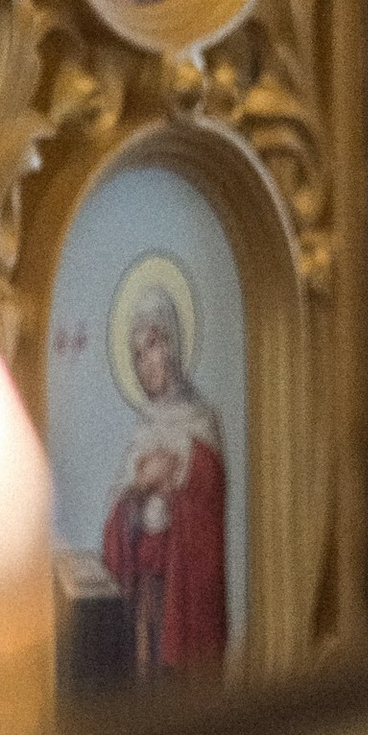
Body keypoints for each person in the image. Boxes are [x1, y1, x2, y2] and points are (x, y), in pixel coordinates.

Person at [101, 284, 229, 681]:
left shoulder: (202, 421)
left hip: (185, 589)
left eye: (152, 346)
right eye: (136, 354)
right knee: (146, 681)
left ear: (172, 345)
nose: (145, 363)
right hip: (146, 590)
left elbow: (211, 498)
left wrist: (179, 473)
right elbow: (119, 510)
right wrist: (139, 489)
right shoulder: (143, 428)